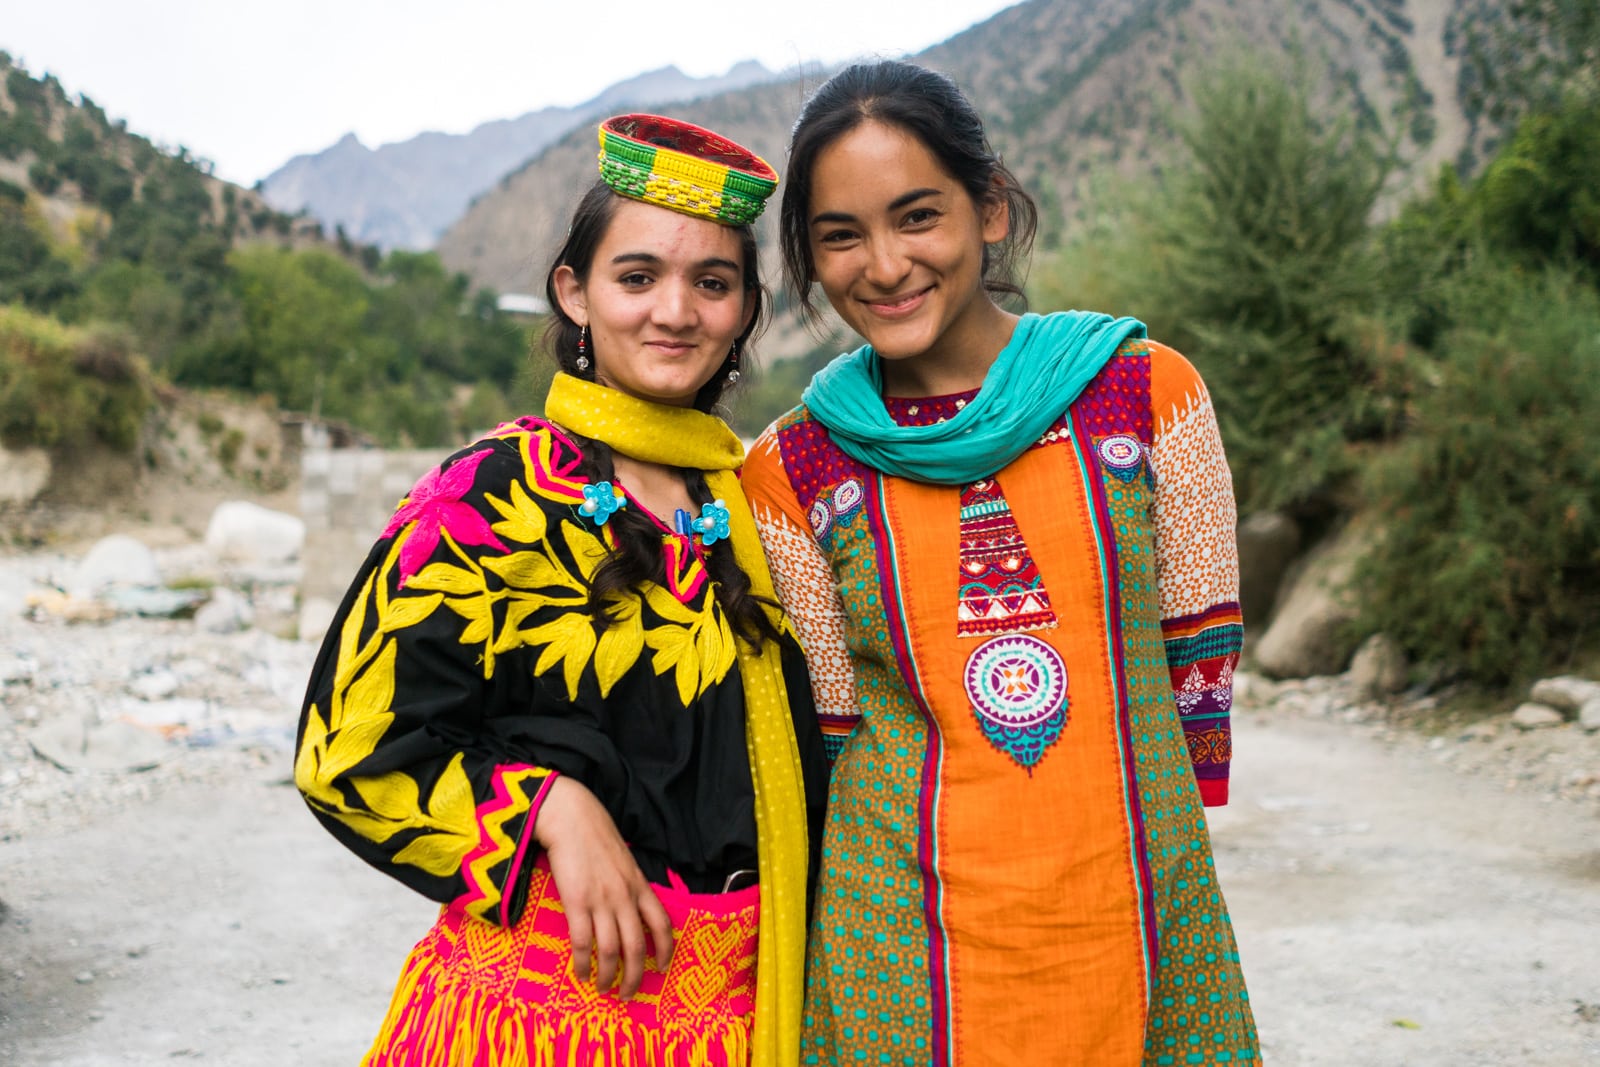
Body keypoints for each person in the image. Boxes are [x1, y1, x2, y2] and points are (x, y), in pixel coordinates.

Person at [740, 61, 1260, 1064]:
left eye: (916, 216)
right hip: (893, 941)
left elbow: (1193, 688)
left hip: (1133, 900)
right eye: (840, 235)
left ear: (988, 208)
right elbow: (836, 731)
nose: (883, 264)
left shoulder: (1146, 397)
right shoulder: (791, 469)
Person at [295, 113, 827, 1067]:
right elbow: (350, 747)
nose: (675, 310)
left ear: (748, 310)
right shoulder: (489, 495)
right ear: (574, 293)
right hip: (536, 1020)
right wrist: (546, 806)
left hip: (744, 1021)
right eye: (637, 276)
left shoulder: (760, 507)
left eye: (712, 283)